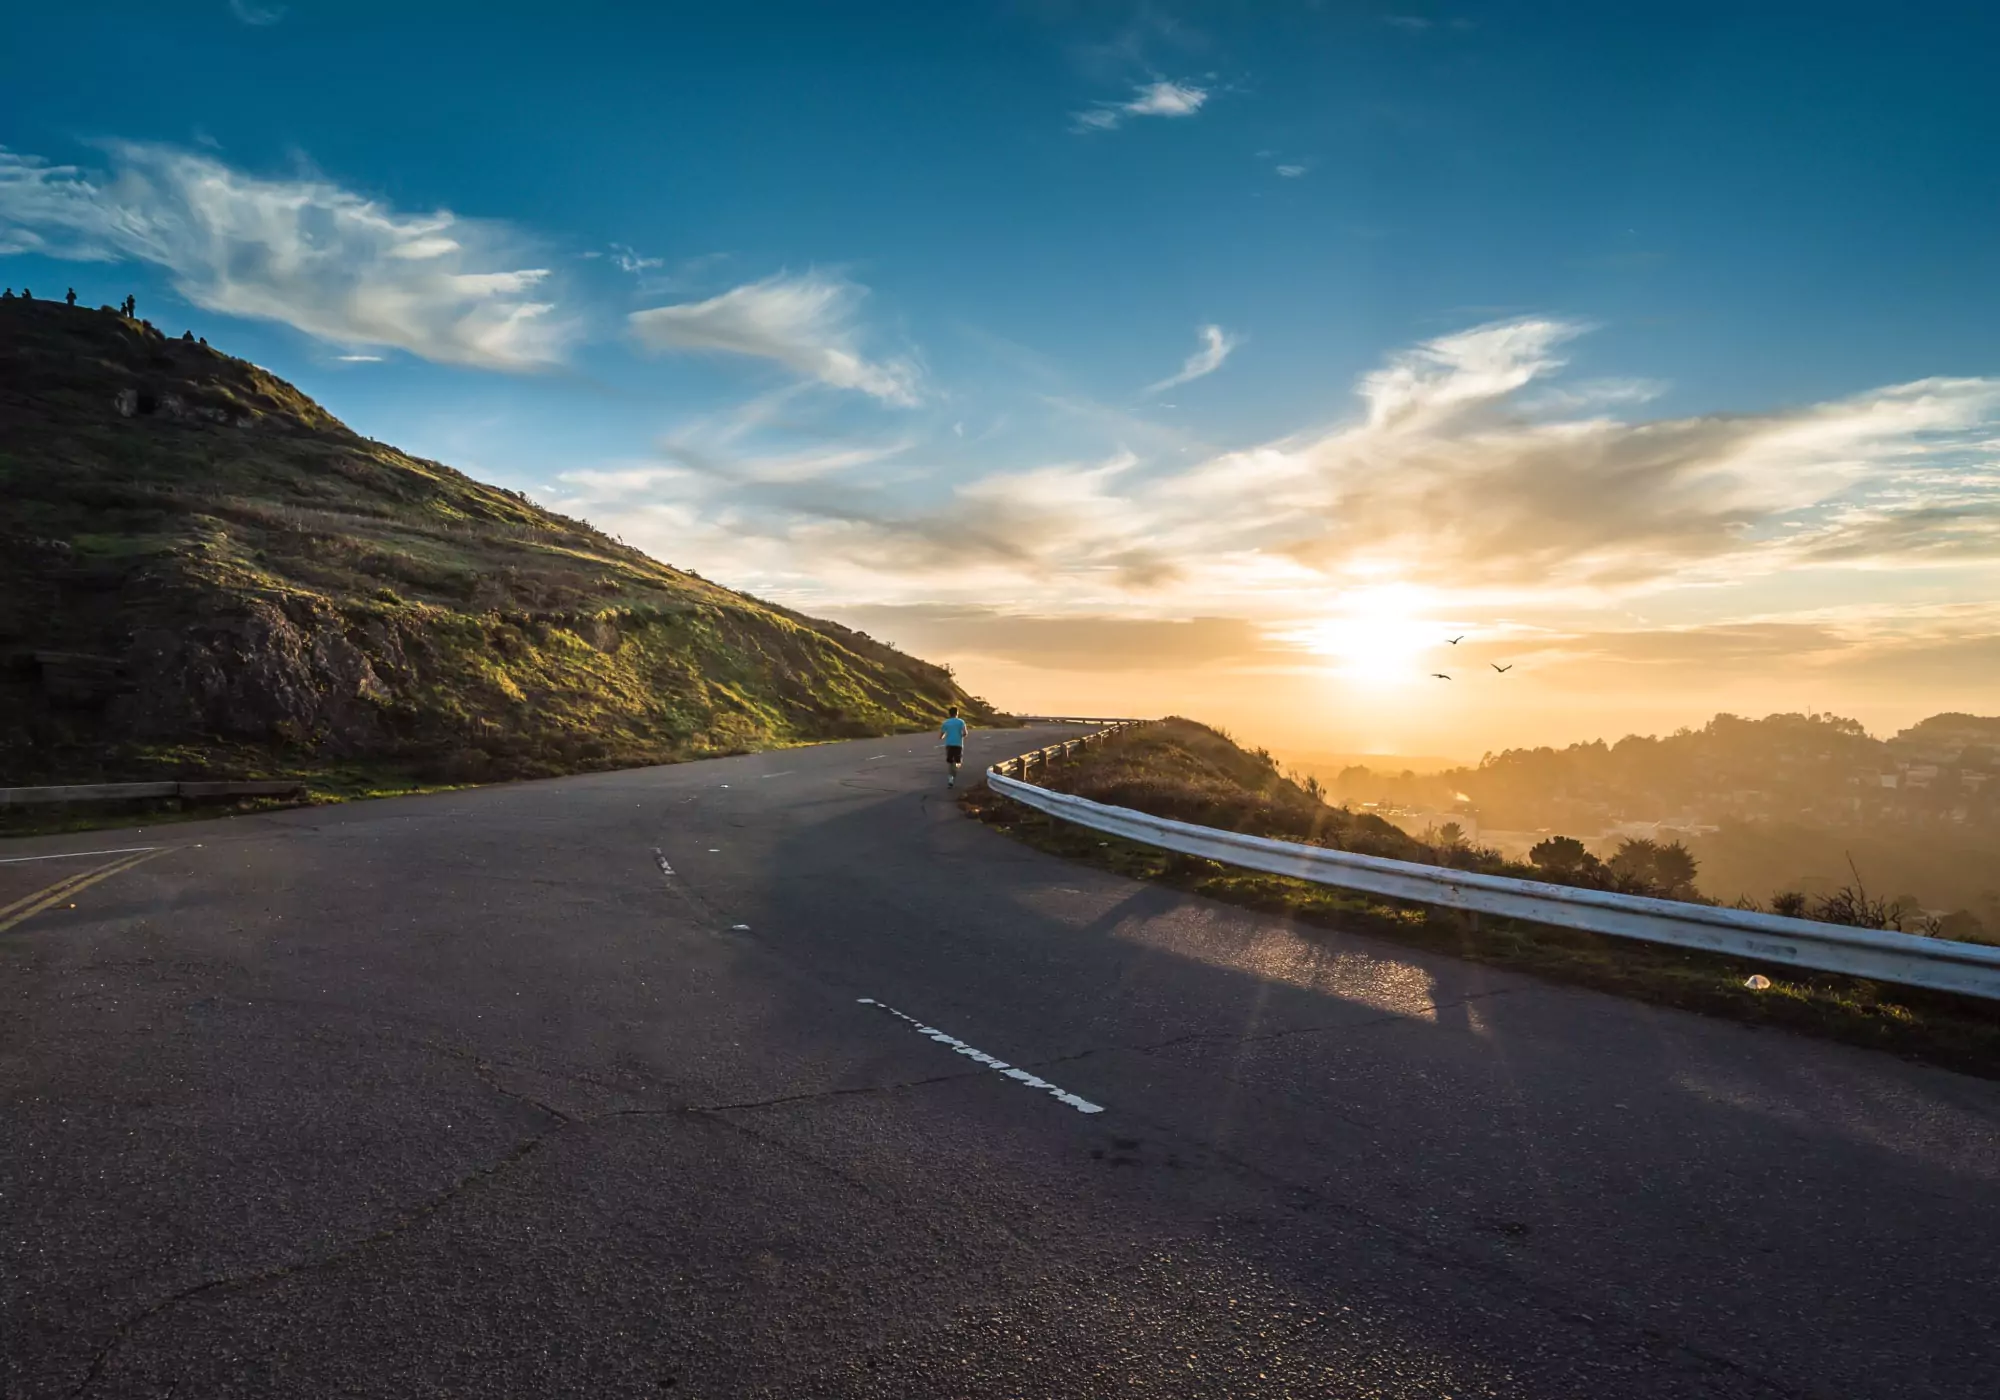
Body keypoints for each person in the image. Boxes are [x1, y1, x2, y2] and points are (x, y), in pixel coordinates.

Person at [939, 706, 968, 788]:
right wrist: (961, 735)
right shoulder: (961, 722)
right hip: (958, 744)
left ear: (949, 713)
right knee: (957, 762)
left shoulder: (946, 723)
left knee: (950, 762)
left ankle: (950, 778)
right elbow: (965, 733)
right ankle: (953, 774)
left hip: (949, 744)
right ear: (957, 713)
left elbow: (941, 735)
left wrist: (944, 736)